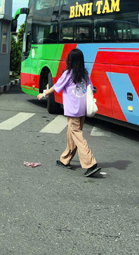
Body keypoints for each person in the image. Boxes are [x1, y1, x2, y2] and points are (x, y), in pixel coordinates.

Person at [37, 48, 100, 177]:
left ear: (70, 61)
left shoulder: (68, 74)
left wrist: (43, 93)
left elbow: (56, 87)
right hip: (82, 110)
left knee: (77, 136)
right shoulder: (84, 74)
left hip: (72, 111)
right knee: (72, 135)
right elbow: (91, 88)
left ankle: (90, 164)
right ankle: (65, 160)